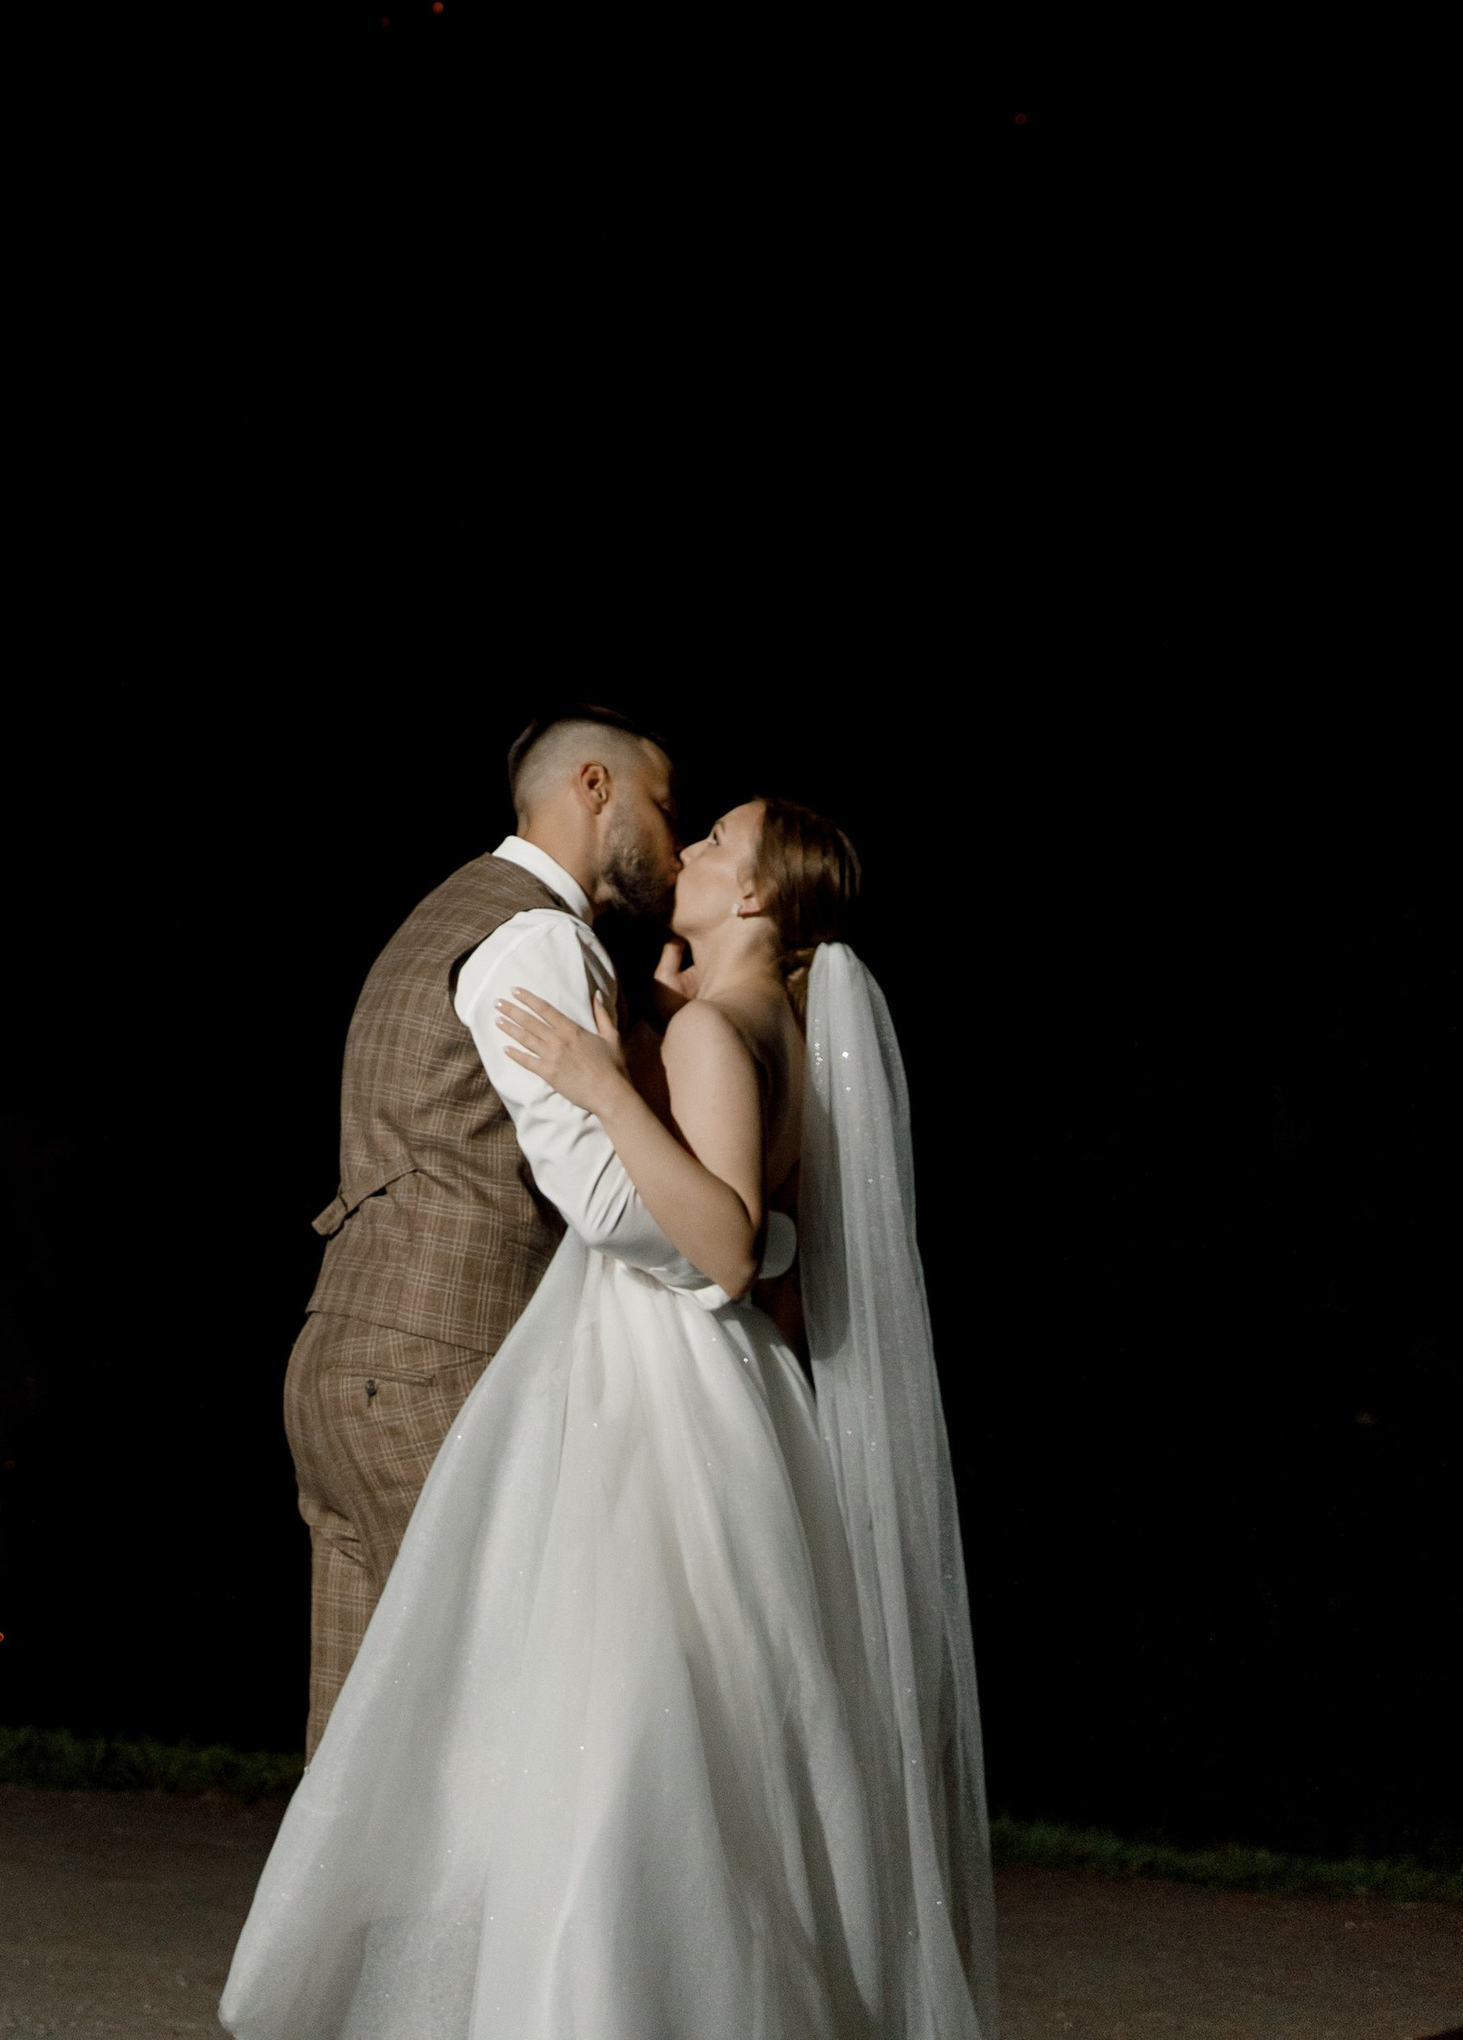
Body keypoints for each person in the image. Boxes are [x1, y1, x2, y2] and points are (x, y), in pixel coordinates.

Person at [224, 796, 994, 2040]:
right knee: (696, 1718)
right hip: (717, 1388)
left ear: (753, 897)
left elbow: (730, 1247)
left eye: (714, 845)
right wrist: (671, 1019)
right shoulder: (763, 1023)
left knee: (627, 1716)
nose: (685, 848)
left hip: (663, 1388)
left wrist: (601, 1082)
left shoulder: (709, 1039)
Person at [287, 709, 763, 1753]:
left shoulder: (449, 910)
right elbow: (596, 1197)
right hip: (437, 1371)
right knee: (498, 1733)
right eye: (664, 805)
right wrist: (731, 1252)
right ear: (594, 788)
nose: (676, 840)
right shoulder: (545, 938)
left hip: (350, 1358)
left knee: (360, 1772)